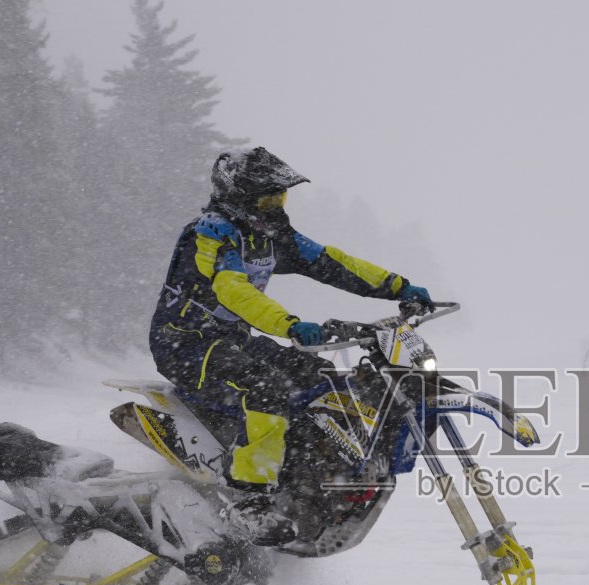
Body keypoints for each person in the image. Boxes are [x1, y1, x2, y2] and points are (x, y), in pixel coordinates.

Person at [149, 145, 430, 538]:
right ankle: (251, 500)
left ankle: (306, 481)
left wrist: (398, 287)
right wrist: (290, 325)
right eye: (269, 195)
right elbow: (233, 290)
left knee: (322, 376)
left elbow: (331, 263)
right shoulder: (212, 232)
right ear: (240, 195)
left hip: (232, 339)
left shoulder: (270, 235)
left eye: (281, 195)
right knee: (269, 391)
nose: (277, 203)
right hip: (186, 344)